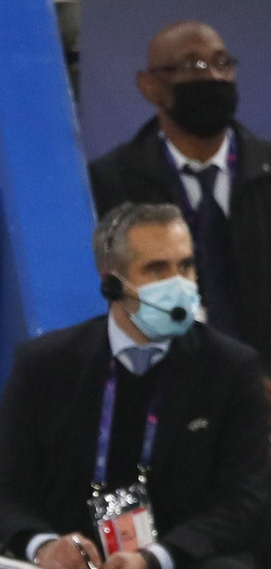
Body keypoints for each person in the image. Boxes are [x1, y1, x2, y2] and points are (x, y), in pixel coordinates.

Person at [0, 202, 269, 569]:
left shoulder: (231, 369)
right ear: (112, 283)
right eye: (157, 269)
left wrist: (153, 561)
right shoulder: (45, 366)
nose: (178, 283)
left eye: (186, 266)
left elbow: (245, 499)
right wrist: (45, 547)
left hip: (180, 568)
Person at [88, 21, 271, 370]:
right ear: (150, 87)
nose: (213, 77)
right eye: (191, 66)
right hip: (162, 384)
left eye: (222, 63)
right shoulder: (109, 182)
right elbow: (110, 299)